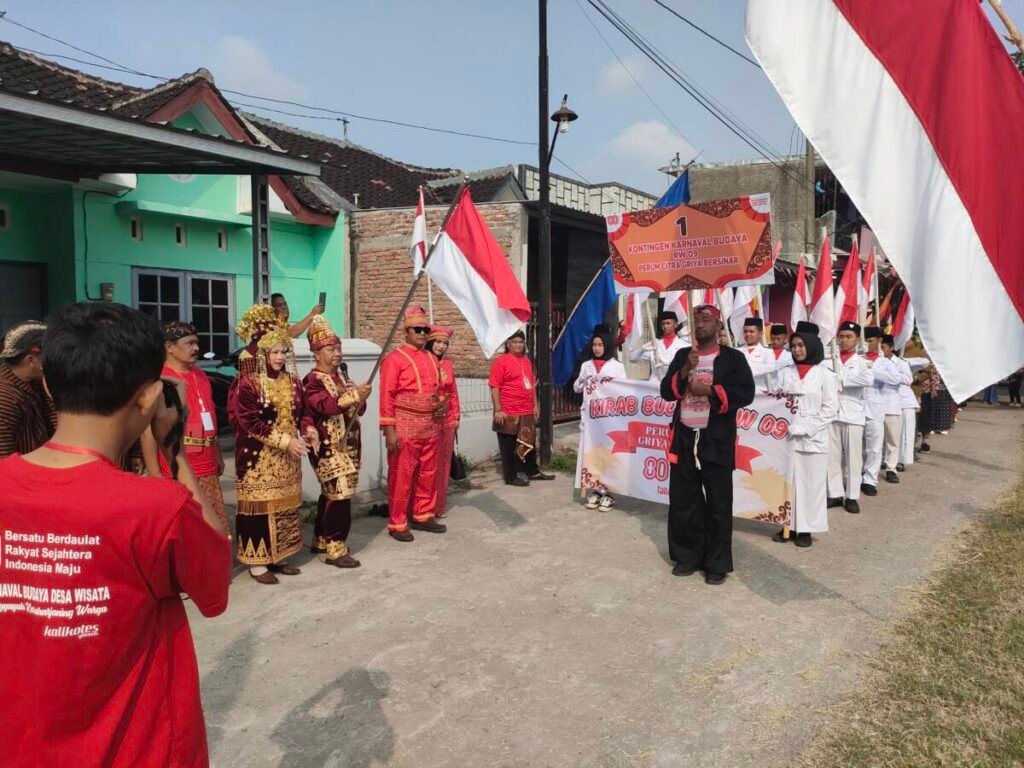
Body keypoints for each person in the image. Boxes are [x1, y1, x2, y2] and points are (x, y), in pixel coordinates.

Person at [0, 302, 231, 766]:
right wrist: (175, 452)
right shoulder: (156, 507)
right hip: (141, 750)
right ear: (149, 398)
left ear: (48, 383)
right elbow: (215, 584)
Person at [660, 304, 755, 585]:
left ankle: (716, 563)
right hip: (684, 438)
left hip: (716, 440)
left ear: (718, 326)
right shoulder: (683, 355)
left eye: (705, 319)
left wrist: (710, 390)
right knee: (684, 501)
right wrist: (685, 369)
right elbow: (666, 391)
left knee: (718, 504)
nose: (699, 324)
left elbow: (745, 393)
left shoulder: (733, 358)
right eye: (695, 320)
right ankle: (688, 556)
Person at [229, 304, 317, 583]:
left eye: (283, 352)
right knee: (259, 507)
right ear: (263, 353)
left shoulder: (293, 381)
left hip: (289, 456)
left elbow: (303, 412)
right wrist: (284, 441)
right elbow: (249, 421)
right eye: (274, 352)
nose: (279, 357)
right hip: (258, 458)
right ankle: (258, 562)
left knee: (285, 506)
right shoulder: (249, 384)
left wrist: (309, 430)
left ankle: (280, 555)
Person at [302, 315, 371, 568]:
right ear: (316, 353)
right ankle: (335, 548)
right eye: (331, 349)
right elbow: (326, 406)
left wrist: (359, 397)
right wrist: (354, 395)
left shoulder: (341, 377)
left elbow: (358, 411)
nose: (337, 353)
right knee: (340, 495)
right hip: (328, 447)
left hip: (349, 445)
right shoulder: (312, 381)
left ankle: (321, 539)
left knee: (331, 494)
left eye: (338, 348)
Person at [379, 306, 448, 541]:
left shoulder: (432, 358)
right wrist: (390, 430)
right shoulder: (394, 359)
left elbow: (438, 390)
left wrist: (440, 405)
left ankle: (423, 514)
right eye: (417, 329)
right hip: (405, 424)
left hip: (430, 424)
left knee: (428, 472)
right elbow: (386, 396)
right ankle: (397, 523)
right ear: (406, 331)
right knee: (402, 475)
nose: (422, 333)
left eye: (425, 330)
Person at [159, 321, 227, 531]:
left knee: (212, 525)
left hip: (207, 460)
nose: (196, 348)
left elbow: (210, 416)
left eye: (197, 343)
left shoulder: (201, 375)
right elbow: (150, 431)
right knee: (187, 525)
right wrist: (154, 473)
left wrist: (217, 453)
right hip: (178, 463)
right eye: (189, 343)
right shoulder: (161, 379)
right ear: (170, 347)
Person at [775, 322, 838, 547]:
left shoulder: (825, 375)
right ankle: (788, 526)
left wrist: (806, 428)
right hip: (787, 436)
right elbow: (776, 401)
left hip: (812, 438)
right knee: (788, 483)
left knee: (811, 485)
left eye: (801, 345)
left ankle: (806, 529)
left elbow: (830, 409)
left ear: (811, 346)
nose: (797, 350)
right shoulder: (785, 372)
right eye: (794, 346)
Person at [489, 330, 554, 486]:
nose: (518, 345)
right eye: (514, 342)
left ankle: (532, 471)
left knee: (529, 442)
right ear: (508, 344)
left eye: (520, 342)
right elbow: (494, 386)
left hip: (526, 410)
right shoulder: (501, 362)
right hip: (508, 411)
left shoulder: (526, 361)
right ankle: (511, 476)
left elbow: (531, 385)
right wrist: (498, 409)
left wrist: (535, 405)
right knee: (508, 446)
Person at [573, 330, 627, 511]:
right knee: (592, 454)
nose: (597, 348)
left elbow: (623, 390)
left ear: (607, 346)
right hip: (590, 419)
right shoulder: (586, 365)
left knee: (608, 454)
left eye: (600, 345)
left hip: (609, 417)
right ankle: (596, 490)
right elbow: (576, 388)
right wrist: (583, 379)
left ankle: (609, 493)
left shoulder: (616, 366)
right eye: (594, 345)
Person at [826, 321, 874, 514]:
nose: (844, 340)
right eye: (841, 336)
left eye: (849, 337)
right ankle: (835, 493)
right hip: (832, 413)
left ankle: (852, 495)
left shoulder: (863, 362)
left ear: (857, 340)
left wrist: (839, 379)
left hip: (853, 414)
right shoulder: (830, 360)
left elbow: (867, 379)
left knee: (853, 458)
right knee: (832, 456)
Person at [0, 320, 56, 457]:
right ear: (31, 360)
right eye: (50, 356)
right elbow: (3, 459)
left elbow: (56, 426)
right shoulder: (4, 398)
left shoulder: (36, 384)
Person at [426, 325, 461, 519]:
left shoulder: (448, 364)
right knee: (427, 464)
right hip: (427, 418)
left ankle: (438, 506)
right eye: (438, 342)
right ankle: (423, 507)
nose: (441, 346)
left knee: (443, 463)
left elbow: (453, 392)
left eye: (444, 343)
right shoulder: (423, 362)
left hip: (447, 420)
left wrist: (456, 415)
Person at [877, 335, 912, 484]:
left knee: (892, 439)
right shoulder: (873, 361)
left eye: (883, 347)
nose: (880, 350)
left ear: (891, 347)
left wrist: (888, 375)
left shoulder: (900, 363)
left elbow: (908, 380)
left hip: (891, 405)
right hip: (875, 405)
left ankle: (891, 468)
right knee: (873, 440)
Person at [860, 326, 887, 497]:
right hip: (856, 406)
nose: (868, 344)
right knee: (854, 447)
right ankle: (854, 476)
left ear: (879, 341)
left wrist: (870, 369)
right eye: (865, 341)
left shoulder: (886, 362)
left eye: (870, 341)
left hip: (875, 408)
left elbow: (896, 379)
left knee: (874, 447)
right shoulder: (857, 358)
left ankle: (870, 480)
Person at [630, 310, 688, 380]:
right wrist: (642, 349)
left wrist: (668, 363)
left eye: (668, 323)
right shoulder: (655, 345)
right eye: (663, 324)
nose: (665, 326)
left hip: (673, 383)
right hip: (655, 383)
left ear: (676, 325)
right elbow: (632, 358)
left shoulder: (684, 346)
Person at [739, 317, 778, 390]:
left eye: (751, 331)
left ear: (761, 334)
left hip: (760, 392)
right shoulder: (736, 351)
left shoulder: (768, 352)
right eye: (745, 331)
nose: (748, 334)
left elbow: (770, 368)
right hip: (740, 392)